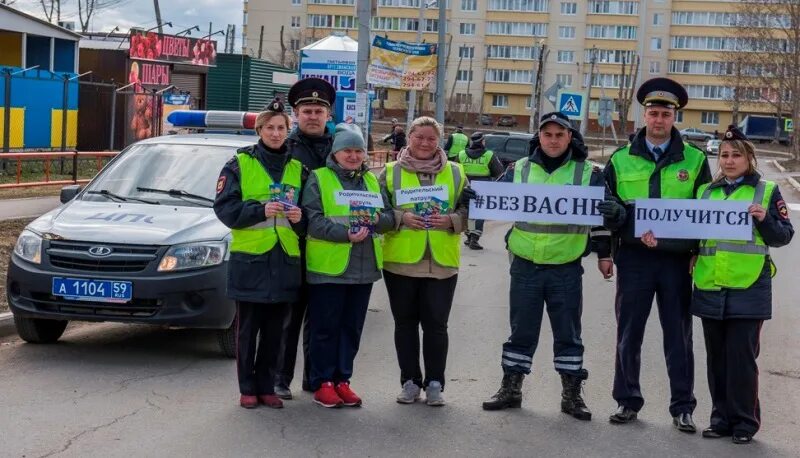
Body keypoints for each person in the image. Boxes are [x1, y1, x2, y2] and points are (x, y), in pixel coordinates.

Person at [642, 125, 793, 444]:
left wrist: (764, 218)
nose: (729, 160)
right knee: (716, 359)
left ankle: (744, 423)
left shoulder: (765, 191)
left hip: (748, 286)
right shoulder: (706, 193)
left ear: (749, 158)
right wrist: (662, 238)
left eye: (736, 154)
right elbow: (691, 235)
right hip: (710, 285)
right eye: (724, 155)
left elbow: (783, 236)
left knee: (741, 359)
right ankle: (720, 419)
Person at [481, 112, 626, 420]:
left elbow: (601, 219)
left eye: (560, 135)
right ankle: (511, 388)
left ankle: (571, 395)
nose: (554, 140)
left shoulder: (588, 172)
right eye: (548, 135)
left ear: (569, 137)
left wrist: (604, 252)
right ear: (540, 137)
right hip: (525, 264)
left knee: (568, 333)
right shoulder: (518, 169)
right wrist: (473, 197)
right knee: (521, 330)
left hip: (565, 266)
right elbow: (494, 200)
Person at [604, 77, 712, 432]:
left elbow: (705, 211)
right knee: (628, 332)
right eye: (653, 112)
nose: (659, 119)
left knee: (678, 336)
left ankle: (683, 407)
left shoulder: (695, 160)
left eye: (666, 113)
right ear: (644, 115)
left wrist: (698, 251)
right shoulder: (620, 159)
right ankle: (627, 401)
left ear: (674, 117)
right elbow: (607, 209)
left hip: (676, 261)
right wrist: (605, 250)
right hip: (634, 259)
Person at [213, 99, 305, 409]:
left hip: (284, 259)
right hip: (250, 260)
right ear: (259, 130)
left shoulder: (298, 169)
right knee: (248, 330)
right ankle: (247, 387)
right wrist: (259, 210)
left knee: (276, 331)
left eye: (281, 128)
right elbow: (224, 209)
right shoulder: (239, 163)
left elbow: (310, 215)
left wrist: (300, 219)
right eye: (270, 128)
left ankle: (268, 386)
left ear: (288, 130)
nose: (276, 133)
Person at [302, 123, 395, 408]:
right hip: (330, 268)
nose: (353, 156)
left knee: (351, 329)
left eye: (358, 151)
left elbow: (390, 217)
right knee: (325, 328)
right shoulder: (319, 178)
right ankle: (322, 383)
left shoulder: (372, 181)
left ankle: (343, 380)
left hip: (364, 268)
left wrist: (378, 221)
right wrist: (346, 234)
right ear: (336, 152)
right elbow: (313, 220)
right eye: (347, 150)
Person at [380, 116, 471, 406]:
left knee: (436, 325)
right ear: (408, 137)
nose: (424, 143)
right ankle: (409, 381)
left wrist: (453, 220)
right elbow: (377, 211)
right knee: (404, 324)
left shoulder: (456, 172)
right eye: (419, 137)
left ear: (440, 141)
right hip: (401, 261)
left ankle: (434, 383)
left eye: (431, 138)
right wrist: (401, 217)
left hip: (441, 264)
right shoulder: (389, 172)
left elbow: (471, 208)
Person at [274, 77, 336, 399]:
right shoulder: (285, 148)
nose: (313, 116)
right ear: (296, 114)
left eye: (318, 110)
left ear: (329, 114)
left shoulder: (341, 149)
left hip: (329, 246)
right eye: (306, 110)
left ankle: (315, 378)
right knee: (289, 316)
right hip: (293, 243)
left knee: (321, 318)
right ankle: (280, 378)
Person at [456, 131, 505, 250]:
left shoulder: (461, 154)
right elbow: (499, 172)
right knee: (479, 213)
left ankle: (468, 236)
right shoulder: (489, 155)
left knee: (468, 212)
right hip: (483, 187)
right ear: (482, 141)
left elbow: (455, 170)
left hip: (465, 187)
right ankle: (474, 238)